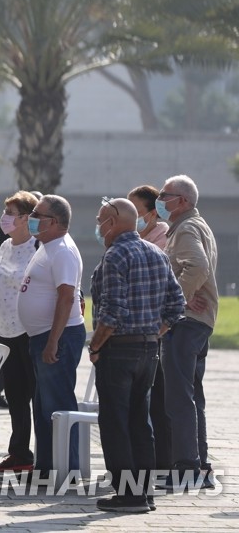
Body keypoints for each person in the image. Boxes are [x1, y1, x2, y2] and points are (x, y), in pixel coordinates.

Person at [89, 197, 185, 513]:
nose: (98, 225)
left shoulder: (116, 255)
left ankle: (128, 495)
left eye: (102, 219)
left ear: (114, 222)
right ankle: (144, 492)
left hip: (119, 350)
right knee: (140, 422)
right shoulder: (157, 253)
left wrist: (97, 345)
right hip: (148, 350)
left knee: (116, 422)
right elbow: (176, 305)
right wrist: (152, 334)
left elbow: (111, 312)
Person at [17, 194, 86, 479]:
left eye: (37, 214)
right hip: (41, 336)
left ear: (54, 222)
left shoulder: (63, 251)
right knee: (44, 405)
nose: (32, 218)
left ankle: (66, 468)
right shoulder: (47, 245)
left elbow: (67, 296)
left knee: (58, 404)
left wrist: (53, 341)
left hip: (57, 336)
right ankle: (46, 467)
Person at [157, 174, 219, 490]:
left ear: (182, 200)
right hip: (198, 321)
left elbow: (197, 266)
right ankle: (199, 464)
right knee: (191, 395)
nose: (160, 199)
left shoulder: (187, 228)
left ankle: (187, 468)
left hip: (186, 322)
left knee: (178, 397)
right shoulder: (193, 225)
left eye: (165, 194)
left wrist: (176, 300)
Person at [0, 191, 41, 474]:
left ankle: (46, 454)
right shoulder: (6, 246)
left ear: (26, 218)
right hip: (6, 329)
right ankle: (19, 452)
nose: (5, 219)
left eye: (11, 213)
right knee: (16, 395)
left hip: (30, 330)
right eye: (5, 212)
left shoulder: (38, 247)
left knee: (37, 394)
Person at [128, 183, 171, 470]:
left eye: (136, 212)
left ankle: (163, 461)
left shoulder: (160, 240)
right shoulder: (139, 239)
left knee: (158, 398)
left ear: (153, 214)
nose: (132, 219)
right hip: (139, 330)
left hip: (154, 330)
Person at [129, 185, 168, 250]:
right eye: (128, 211)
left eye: (135, 212)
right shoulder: (127, 238)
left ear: (153, 213)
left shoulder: (166, 243)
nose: (129, 217)